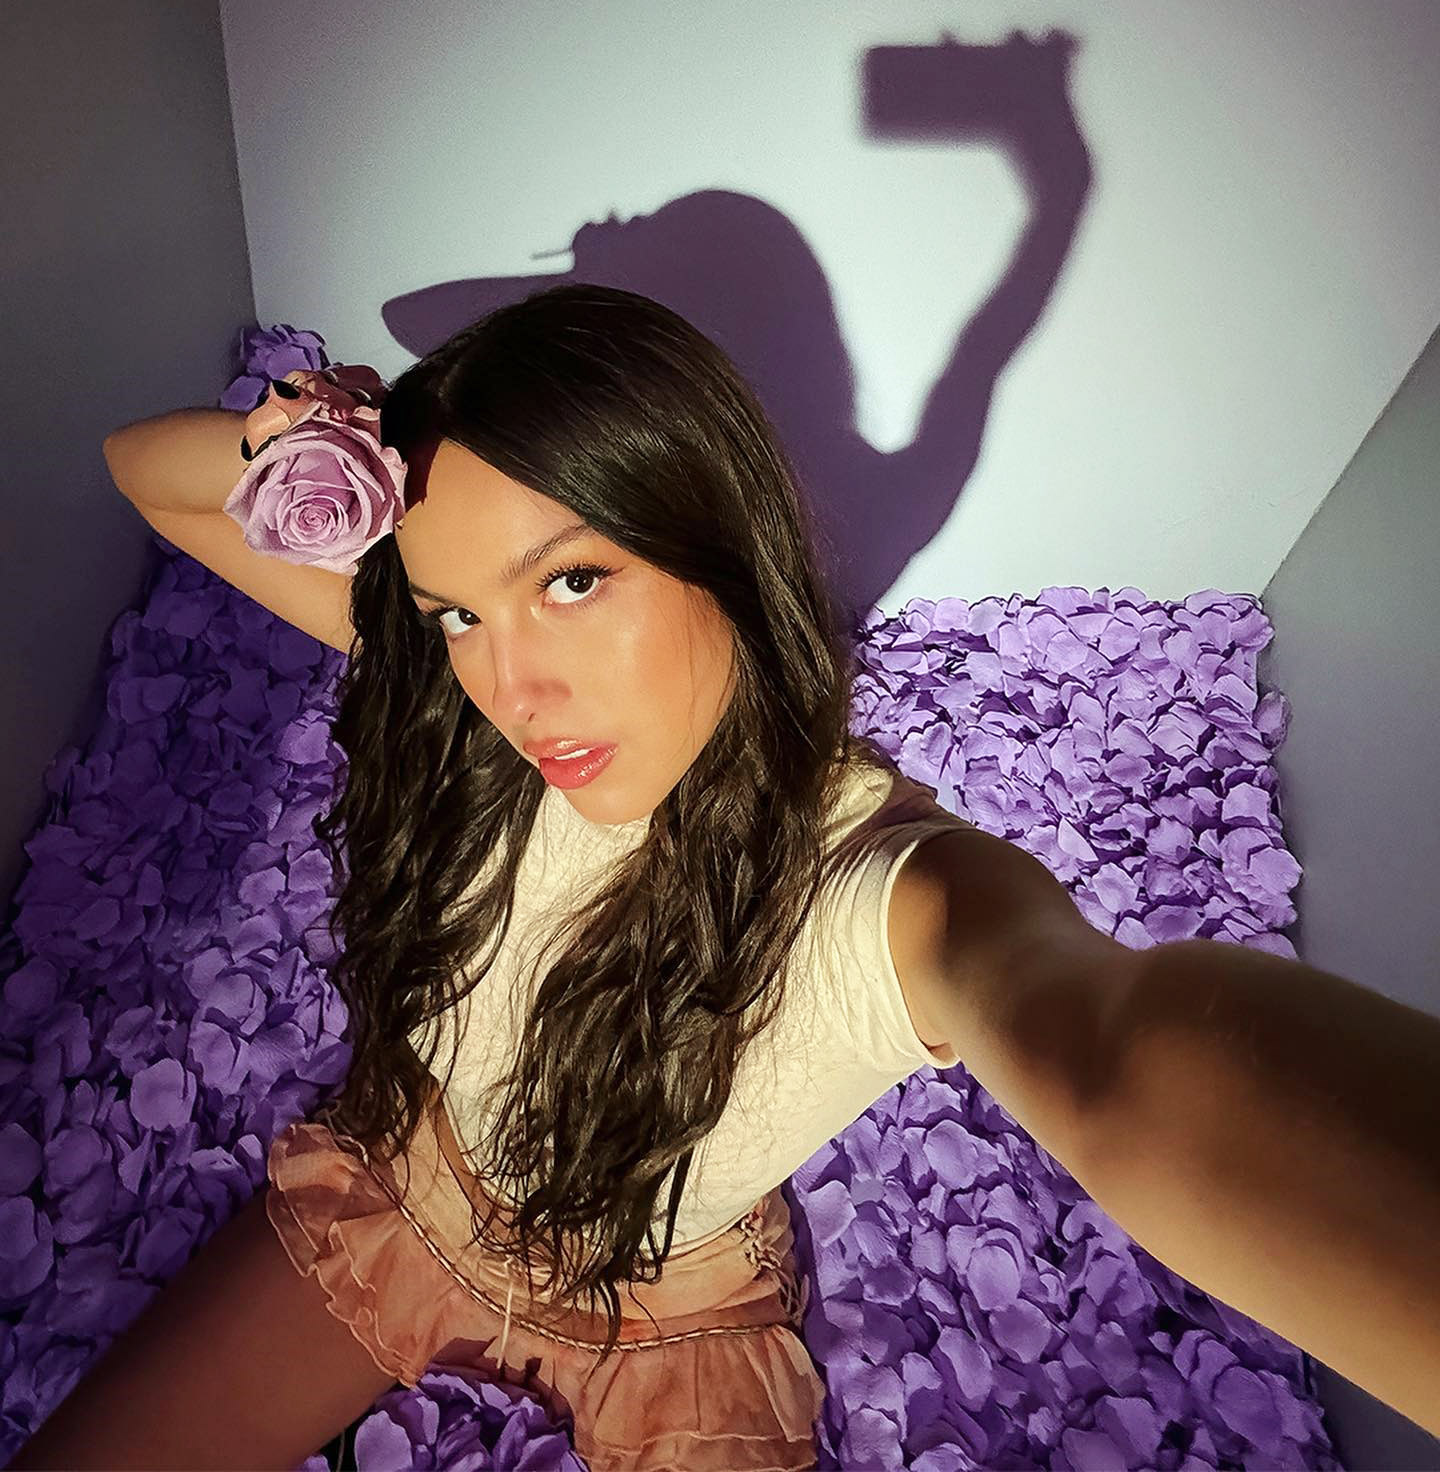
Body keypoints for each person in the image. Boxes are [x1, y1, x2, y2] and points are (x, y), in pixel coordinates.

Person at [14, 285, 1440, 1469]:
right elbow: (145, 469)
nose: (516, 686)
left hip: (670, 1315)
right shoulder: (468, 705)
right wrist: (308, 445)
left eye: (574, 581)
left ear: (722, 547)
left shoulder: (880, 886)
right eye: (456, 611)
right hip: (410, 1197)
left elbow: (1115, 1049)